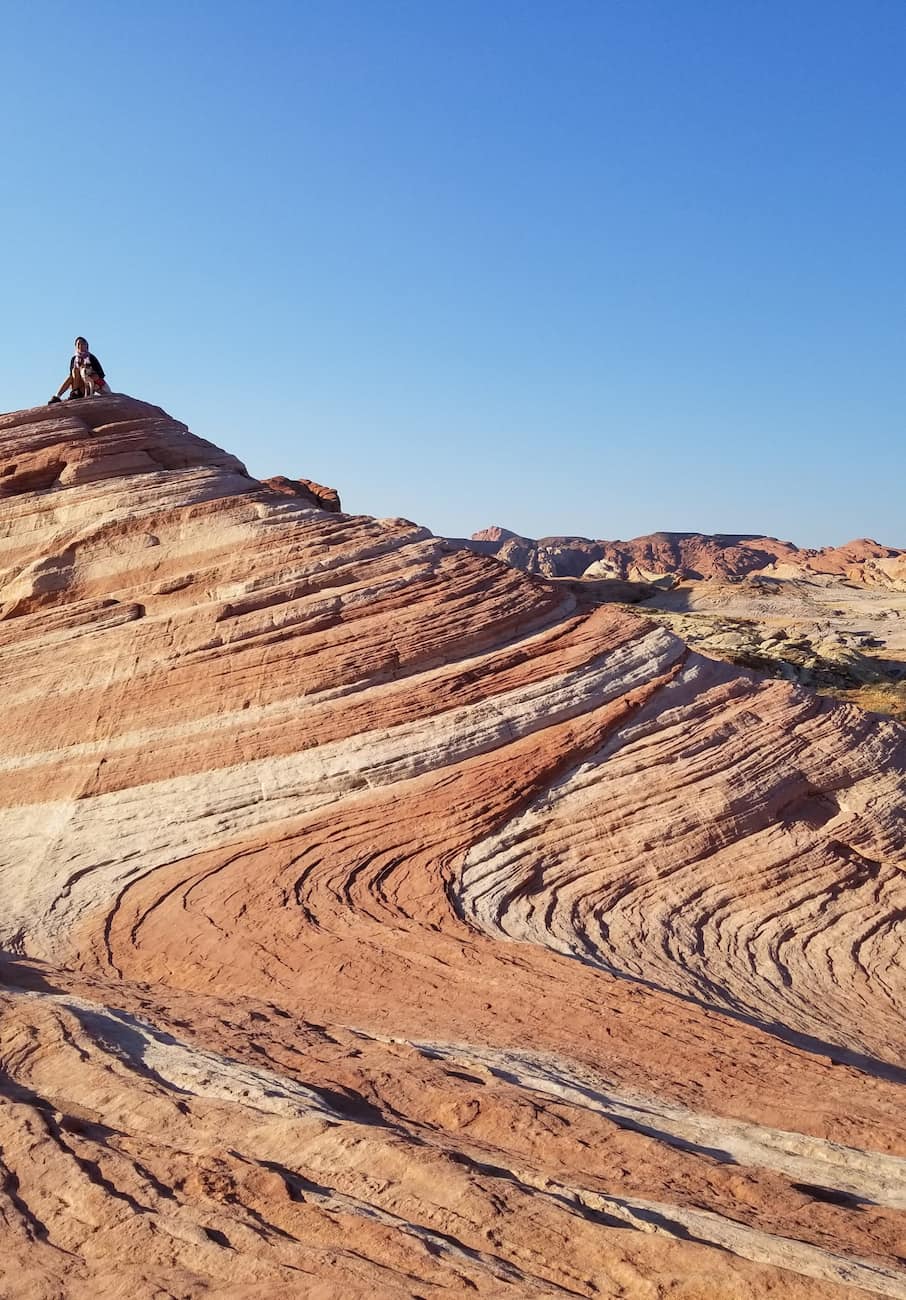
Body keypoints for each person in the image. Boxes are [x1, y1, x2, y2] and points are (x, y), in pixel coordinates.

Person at [48, 337, 108, 403]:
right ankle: (58, 396)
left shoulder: (91, 358)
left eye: (82, 344)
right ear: (75, 346)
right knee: (74, 372)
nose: (80, 346)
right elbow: (72, 376)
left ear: (86, 345)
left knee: (77, 371)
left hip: (87, 386)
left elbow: (101, 374)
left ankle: (76, 393)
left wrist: (94, 376)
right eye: (78, 344)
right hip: (76, 384)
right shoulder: (74, 359)